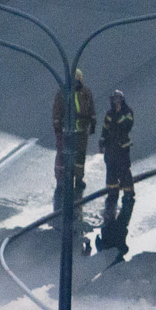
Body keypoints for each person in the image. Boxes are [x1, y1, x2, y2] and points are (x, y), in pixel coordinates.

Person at [51, 69, 96, 207]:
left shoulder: (85, 92)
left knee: (80, 157)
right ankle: (60, 182)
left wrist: (92, 123)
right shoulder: (63, 94)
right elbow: (56, 112)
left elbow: (91, 109)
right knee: (62, 157)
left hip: (81, 131)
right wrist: (58, 129)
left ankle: (79, 179)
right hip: (66, 133)